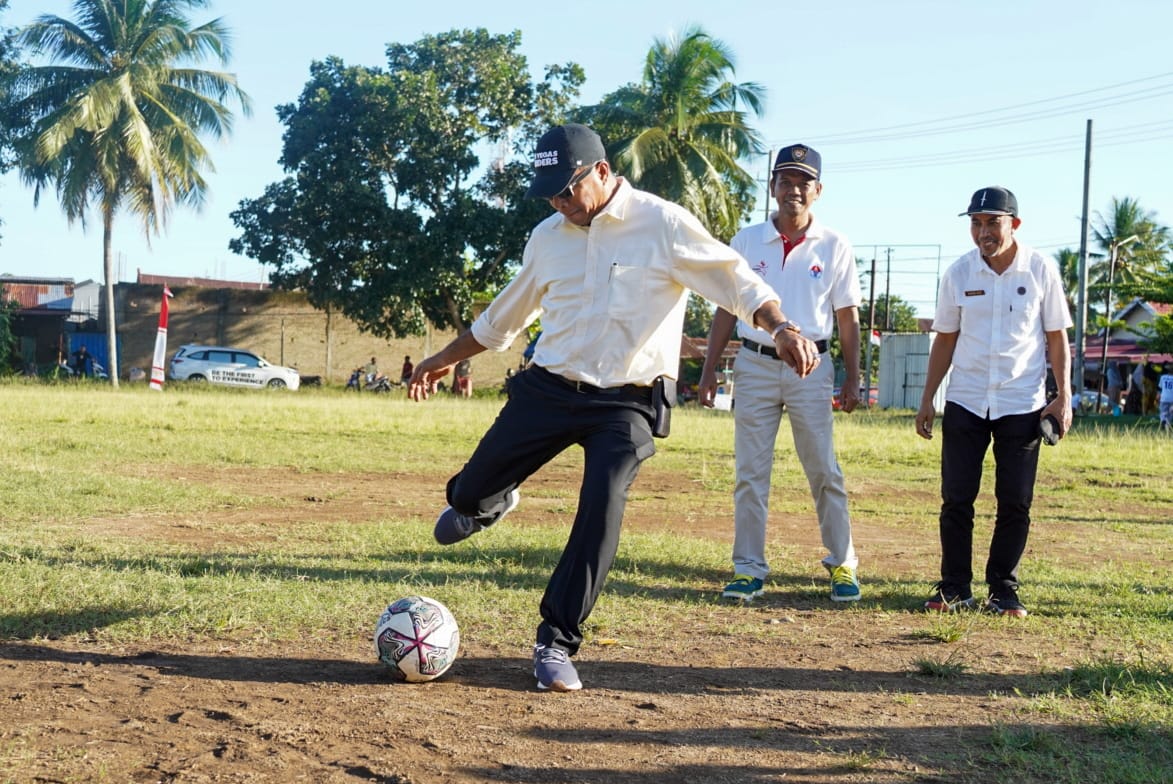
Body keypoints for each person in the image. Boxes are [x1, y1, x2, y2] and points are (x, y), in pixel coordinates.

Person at [408, 123, 818, 692]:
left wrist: (781, 328)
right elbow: (499, 321)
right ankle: (487, 503)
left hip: (626, 402)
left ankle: (556, 640)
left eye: (567, 189)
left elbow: (738, 283)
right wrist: (438, 359)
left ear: (601, 171)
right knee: (465, 495)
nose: (559, 203)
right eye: (549, 193)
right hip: (550, 388)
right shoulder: (548, 237)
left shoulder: (663, 224)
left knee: (602, 503)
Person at [698, 143, 863, 604]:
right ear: (771, 186)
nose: (794, 189)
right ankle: (748, 569)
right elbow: (725, 310)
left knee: (823, 469)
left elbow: (847, 317)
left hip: (813, 368)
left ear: (818, 190)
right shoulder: (747, 241)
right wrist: (710, 371)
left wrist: (852, 377)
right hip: (754, 363)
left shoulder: (834, 245)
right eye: (785, 180)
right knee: (751, 472)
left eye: (803, 182)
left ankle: (842, 564)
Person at [914, 186, 1072, 618]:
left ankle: (1003, 590)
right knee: (956, 498)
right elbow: (945, 339)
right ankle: (954, 588)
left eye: (992, 223)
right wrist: (928, 397)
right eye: (976, 223)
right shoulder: (959, 274)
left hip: (1022, 402)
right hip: (965, 400)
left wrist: (1064, 397)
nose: (983, 232)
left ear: (1013, 224)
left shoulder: (1040, 270)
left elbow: (1057, 338)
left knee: (1015, 500)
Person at [1159, 366, 1173, 430]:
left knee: (1163, 412)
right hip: (1172, 398)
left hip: (1164, 398)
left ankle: (1163, 420)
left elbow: (1160, 387)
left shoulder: (1163, 377)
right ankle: (1168, 426)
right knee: (1170, 414)